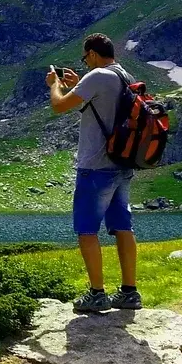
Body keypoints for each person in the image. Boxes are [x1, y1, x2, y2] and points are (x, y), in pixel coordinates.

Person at [46, 33, 142, 313]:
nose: (85, 62)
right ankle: (129, 292)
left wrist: (55, 85)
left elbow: (58, 105)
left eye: (85, 57)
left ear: (92, 54)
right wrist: (78, 85)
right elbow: (102, 110)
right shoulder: (124, 75)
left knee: (87, 230)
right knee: (123, 226)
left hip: (95, 167)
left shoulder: (98, 75)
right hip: (121, 165)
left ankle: (97, 293)